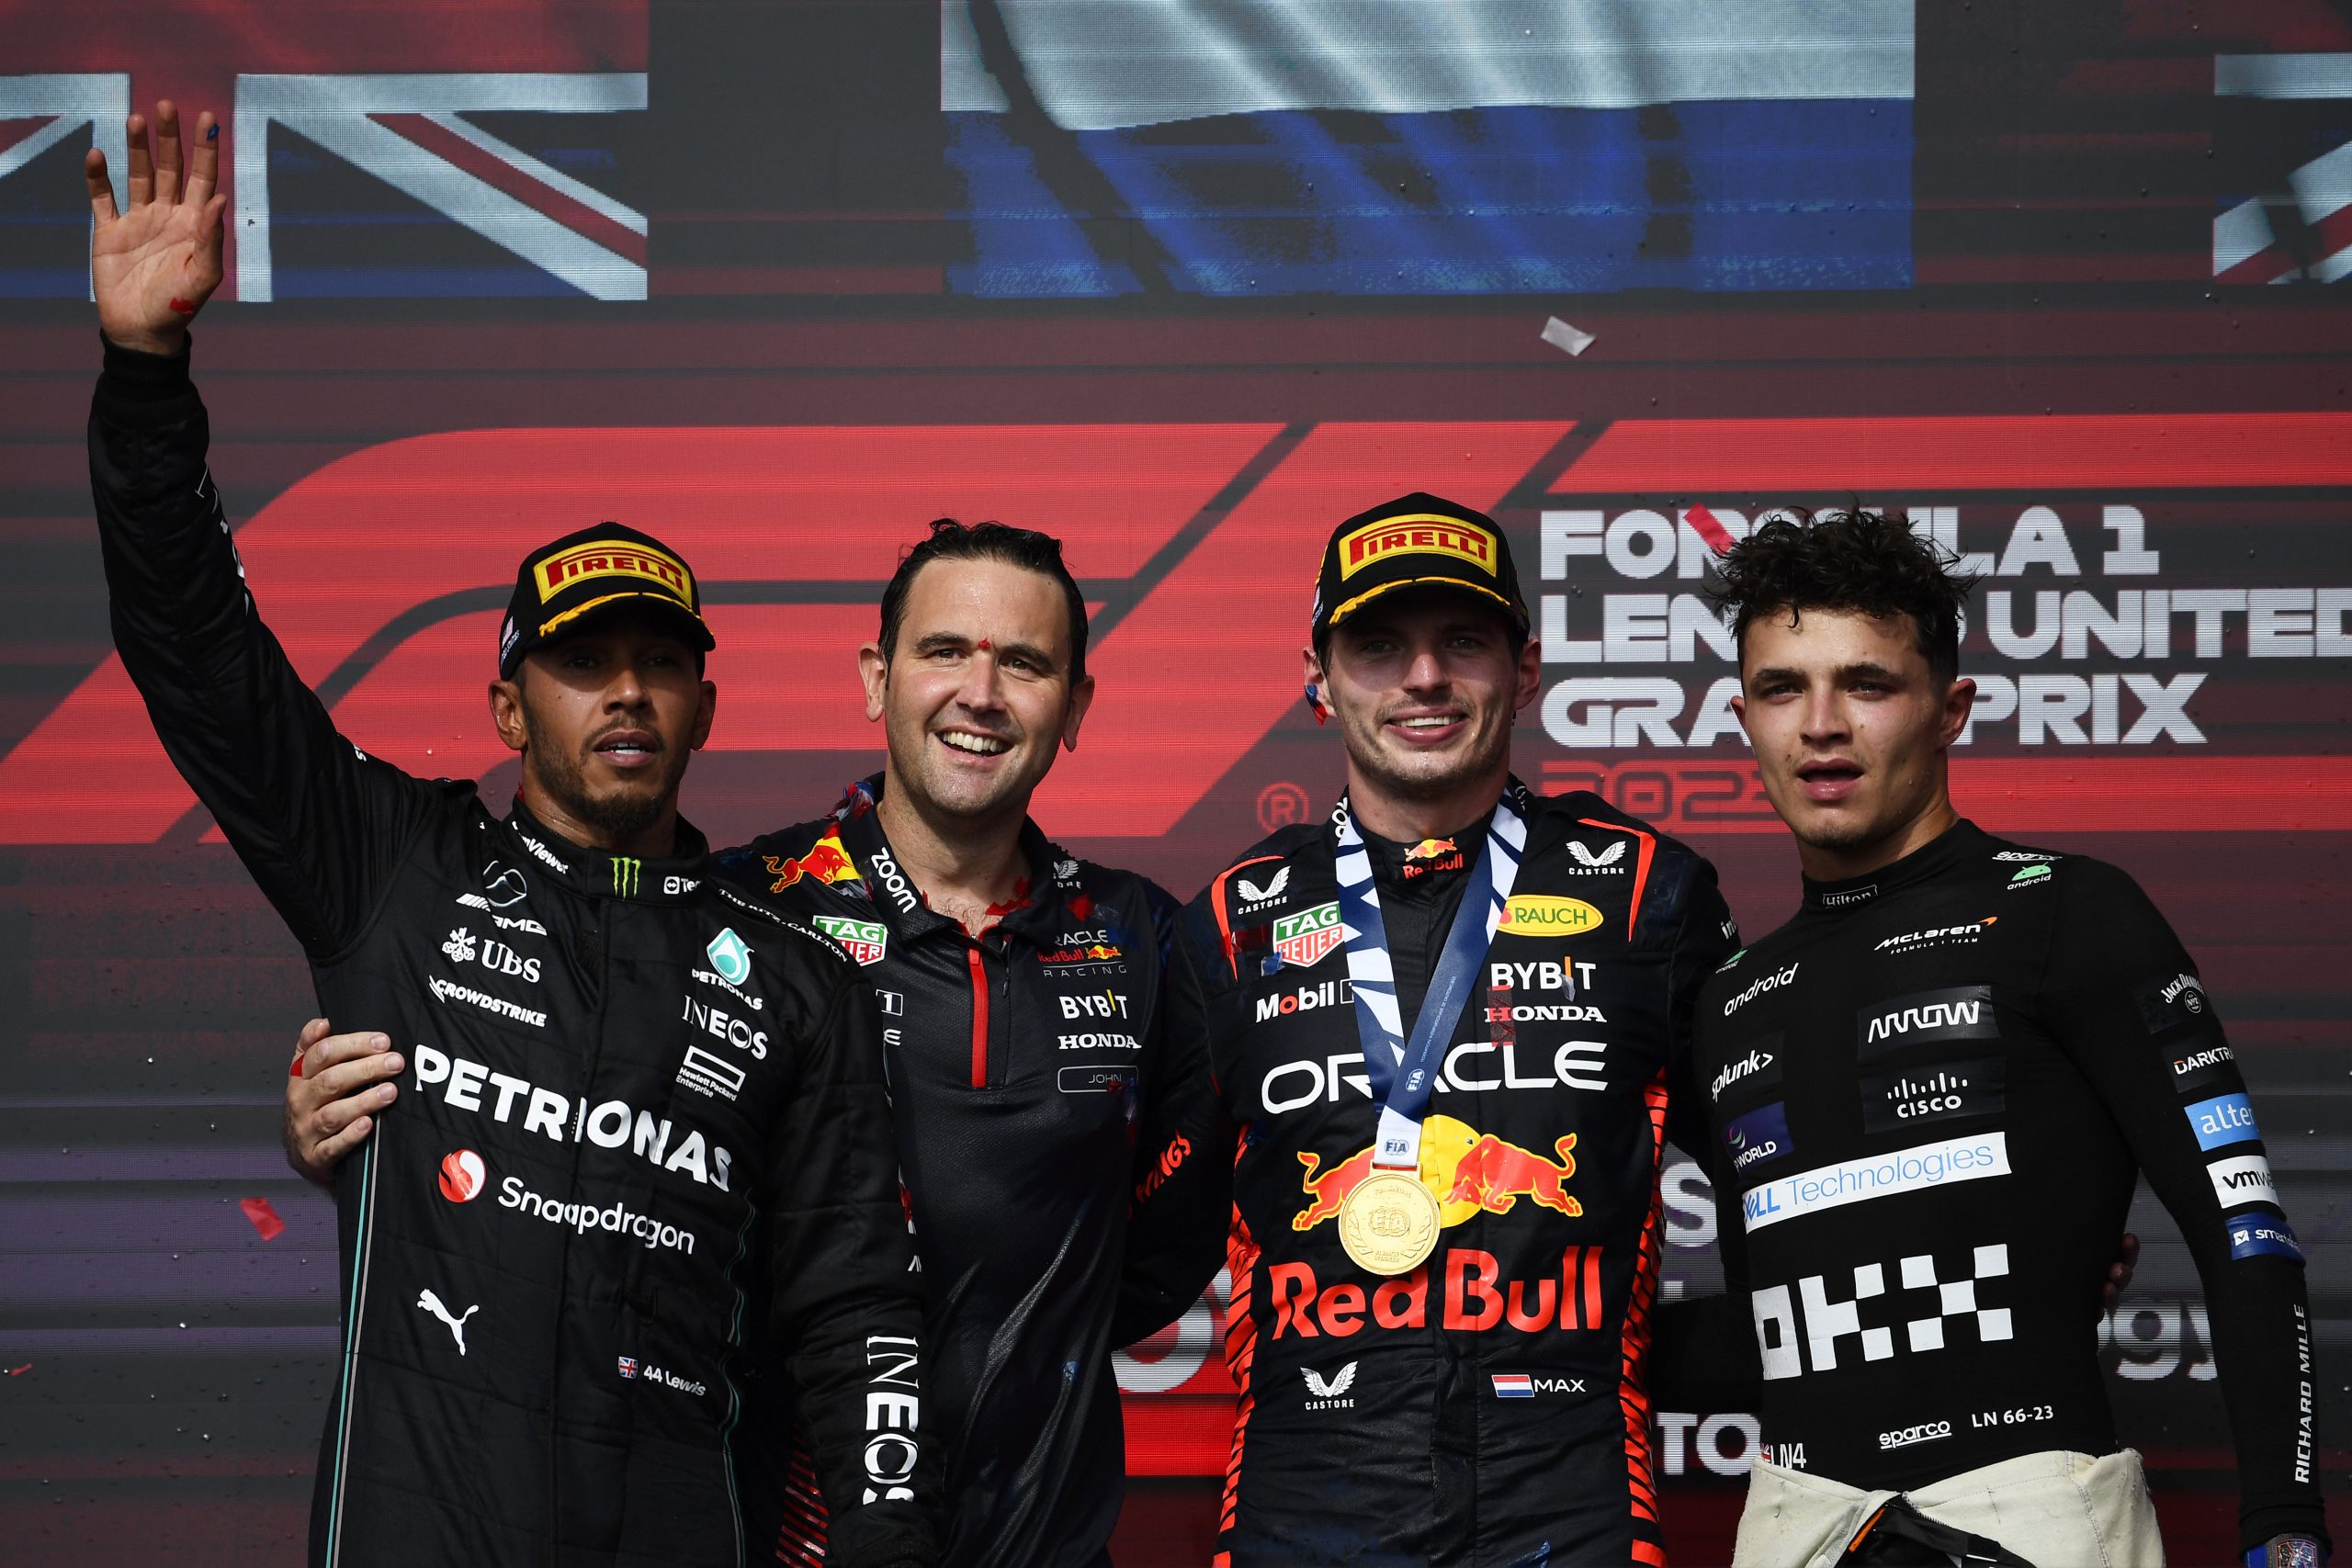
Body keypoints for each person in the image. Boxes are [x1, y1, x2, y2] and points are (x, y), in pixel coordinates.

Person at [85, 104, 933, 1568]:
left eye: (659, 662)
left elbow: (859, 1316)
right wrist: (147, 376)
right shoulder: (391, 867)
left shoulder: (800, 983)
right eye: (583, 662)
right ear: (502, 702)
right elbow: (192, 646)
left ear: (706, 704)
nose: (625, 691)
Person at [287, 517, 1229, 1566]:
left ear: (1076, 706)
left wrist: (1024, 1319)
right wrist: (368, 1128)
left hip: (1048, 1543)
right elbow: (557, 1123)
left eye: (1023, 662)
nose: (981, 694)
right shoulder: (742, 915)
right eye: (944, 651)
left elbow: (1166, 1248)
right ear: (877, 679)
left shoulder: (1141, 936)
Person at [1679, 506, 2326, 1566]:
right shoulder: (1733, 994)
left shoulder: (2067, 910)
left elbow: (2243, 1240)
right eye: (1782, 688)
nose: (1821, 724)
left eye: (1868, 684)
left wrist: (2285, 1529)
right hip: (1796, 1524)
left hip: (2032, 1515)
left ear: (1950, 709)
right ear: (1743, 714)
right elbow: (1796, 1300)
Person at [1170, 492, 1738, 1564]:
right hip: (1306, 1497)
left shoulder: (1646, 892)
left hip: (1568, 1500)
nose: (1423, 678)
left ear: (1523, 672)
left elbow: (1776, 1170)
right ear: (1317, 678)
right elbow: (1138, 1230)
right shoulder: (1230, 923)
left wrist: (2002, 1251)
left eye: (1462, 642)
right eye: (1378, 646)